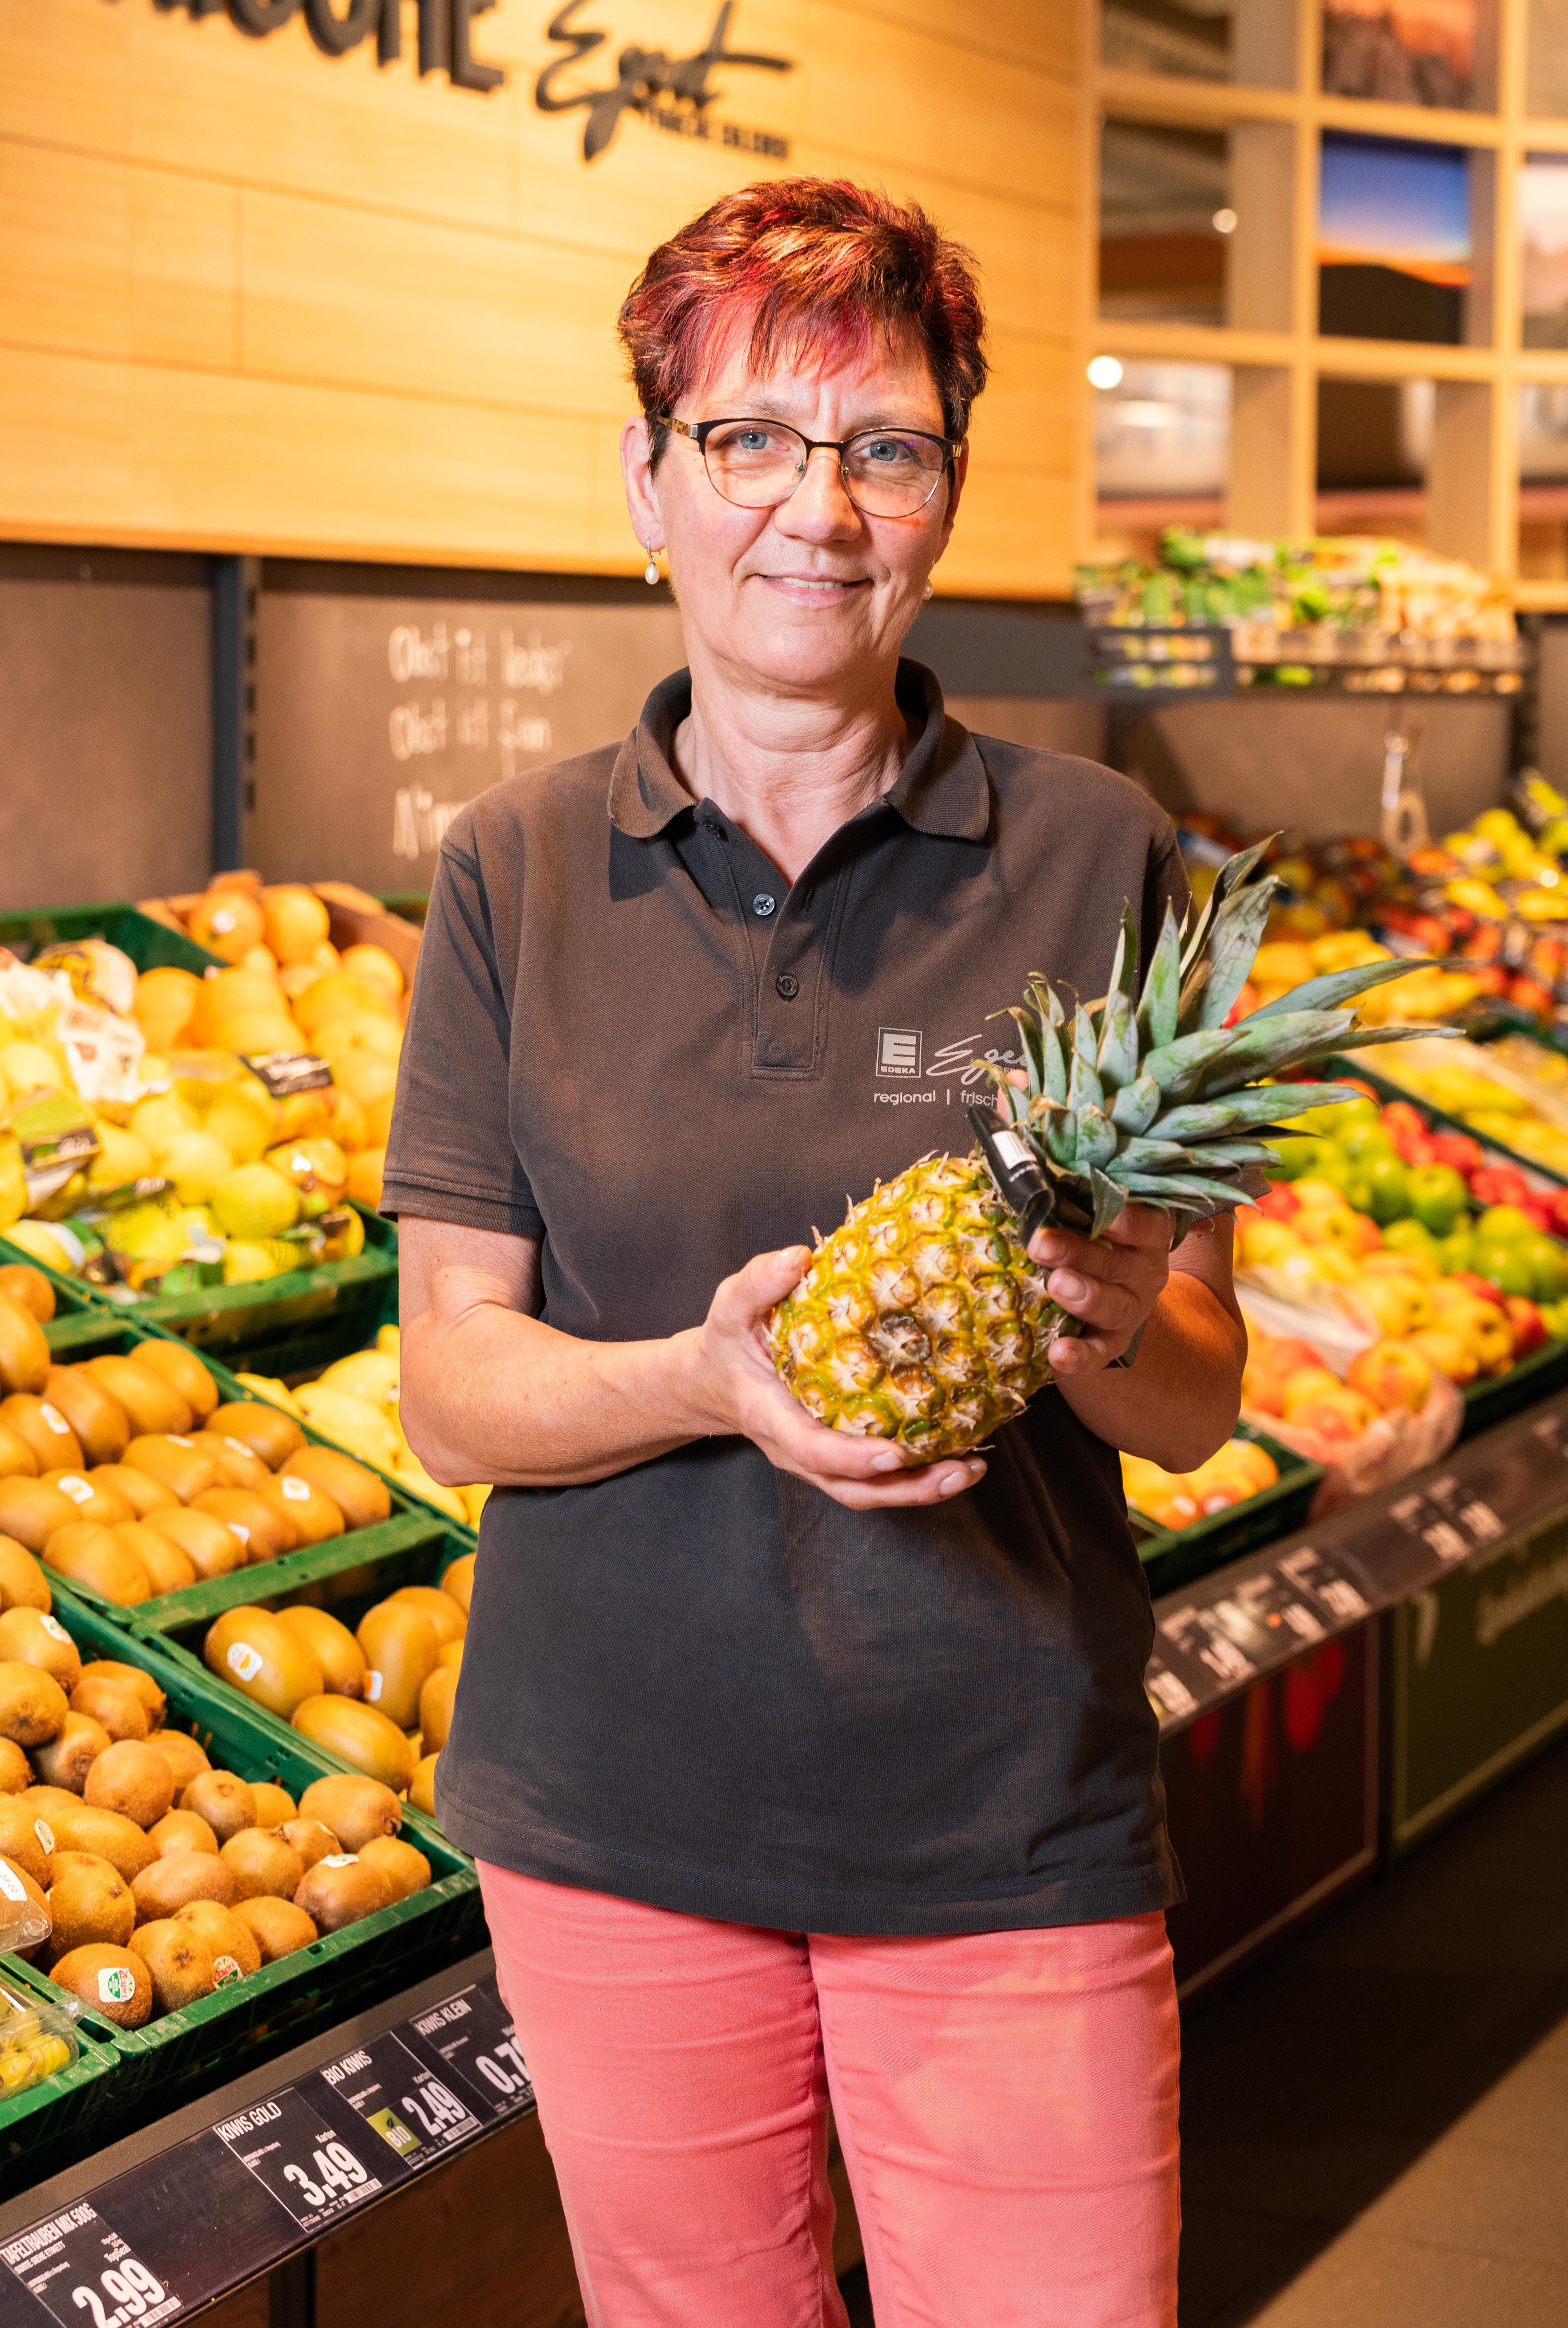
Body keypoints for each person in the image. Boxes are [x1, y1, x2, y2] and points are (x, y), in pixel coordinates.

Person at [382, 178, 1243, 2328]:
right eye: (748, 439)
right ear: (646, 483)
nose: (815, 508)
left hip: (998, 1811)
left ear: (947, 488)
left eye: (882, 445)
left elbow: (1200, 1395)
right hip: (609, 1806)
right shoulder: (509, 871)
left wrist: (1106, 1323)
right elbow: (452, 1381)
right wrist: (701, 1375)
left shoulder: (1097, 857)